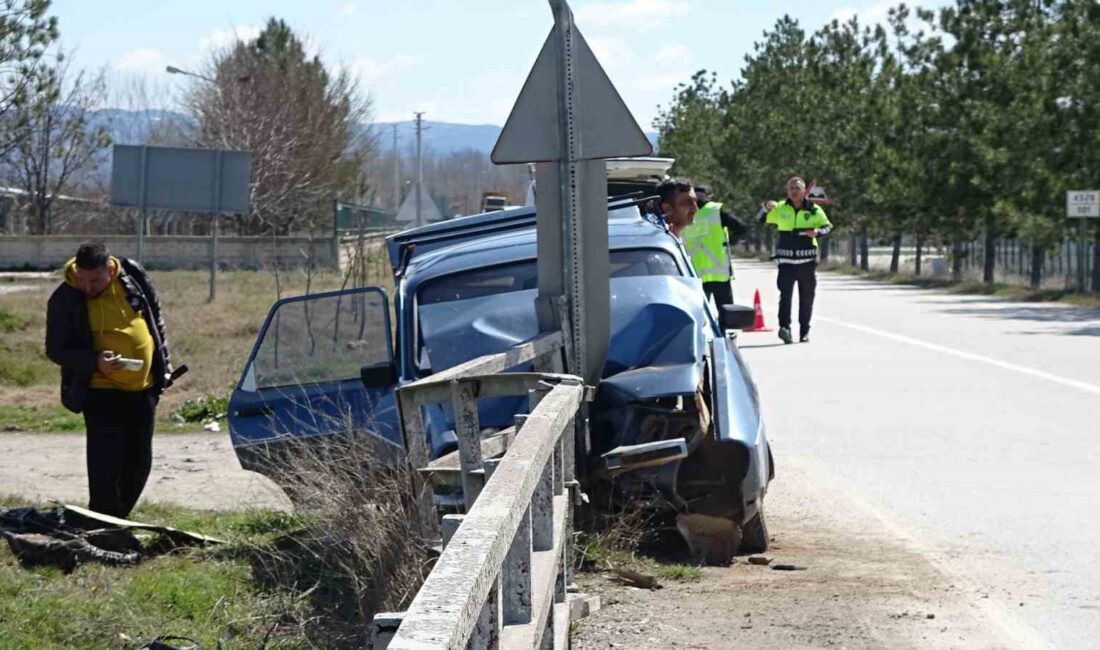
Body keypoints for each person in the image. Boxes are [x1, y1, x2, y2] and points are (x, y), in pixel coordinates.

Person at [45, 241, 172, 518]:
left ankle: (118, 518)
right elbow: (55, 349)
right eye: (82, 279)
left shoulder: (131, 276)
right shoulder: (65, 297)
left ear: (110, 270)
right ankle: (101, 520)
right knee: (105, 463)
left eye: (95, 280)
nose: (87, 287)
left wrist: (164, 368)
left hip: (143, 388)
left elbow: (154, 319)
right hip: (99, 390)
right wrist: (95, 362)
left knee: (139, 462)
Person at [759, 177, 832, 344]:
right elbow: (761, 219)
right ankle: (785, 328)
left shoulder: (814, 210)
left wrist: (817, 232)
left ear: (804, 190)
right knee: (785, 296)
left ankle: (804, 331)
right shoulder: (780, 208)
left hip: (806, 261)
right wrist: (765, 207)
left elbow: (827, 226)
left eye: (797, 188)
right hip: (786, 262)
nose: (793, 191)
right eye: (791, 188)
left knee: (807, 297)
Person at [681, 184, 747, 309]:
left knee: (698, 313)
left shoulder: (683, 213)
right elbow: (741, 227)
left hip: (694, 273)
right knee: (727, 314)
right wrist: (731, 242)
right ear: (710, 196)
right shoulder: (716, 210)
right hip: (719, 271)